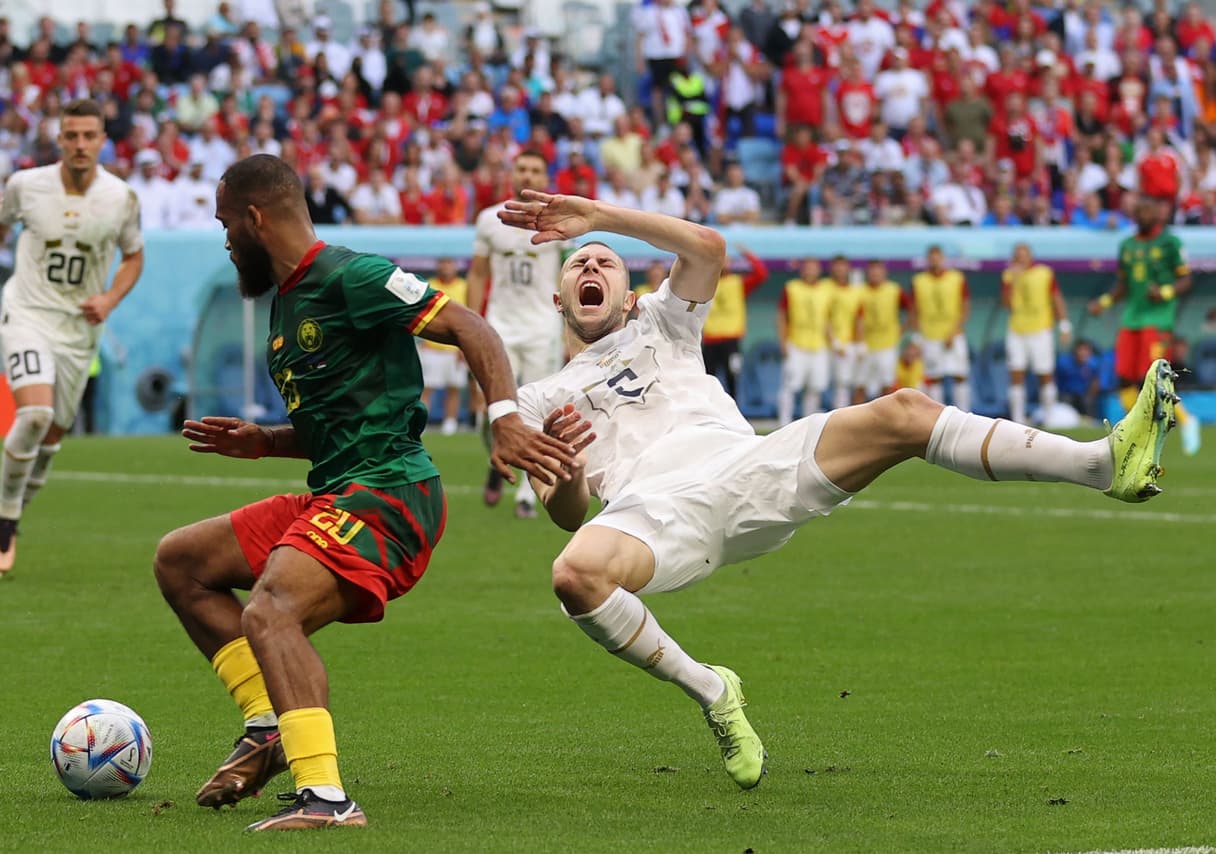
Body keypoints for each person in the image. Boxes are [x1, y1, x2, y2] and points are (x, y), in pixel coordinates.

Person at [500, 190, 1178, 792]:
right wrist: (560, 475)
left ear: (627, 292)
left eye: (605, 262)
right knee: (575, 575)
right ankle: (712, 689)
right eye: (579, 264)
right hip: (649, 516)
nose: (591, 267)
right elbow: (566, 515)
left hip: (747, 467)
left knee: (905, 412)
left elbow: (707, 245)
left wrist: (598, 215)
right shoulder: (537, 398)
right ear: (558, 299)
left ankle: (1101, 464)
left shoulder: (662, 322)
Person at [152, 155, 574, 832]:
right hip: (339, 489)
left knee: (271, 611)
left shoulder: (354, 275)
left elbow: (473, 327)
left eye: (226, 222)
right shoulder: (288, 303)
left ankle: (326, 798)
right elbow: (334, 426)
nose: (224, 237)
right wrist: (264, 441)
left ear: (256, 219)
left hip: (391, 493)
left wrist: (504, 419)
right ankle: (268, 726)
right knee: (181, 561)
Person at [0, 99, 145, 581]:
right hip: (27, 314)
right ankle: (6, 527)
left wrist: (110, 300)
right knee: (35, 414)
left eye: (89, 136)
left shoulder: (121, 198)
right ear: (59, 139)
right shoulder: (26, 185)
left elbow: (133, 259)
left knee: (53, 438)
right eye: (71, 135)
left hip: (79, 329)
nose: (80, 144)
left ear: (103, 140)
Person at [466, 149, 571, 518]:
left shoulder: (560, 219)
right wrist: (472, 325)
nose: (528, 175)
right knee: (488, 414)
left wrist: (571, 329)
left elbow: (569, 273)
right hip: (500, 327)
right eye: (522, 168)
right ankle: (497, 460)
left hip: (543, 326)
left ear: (545, 178)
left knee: (536, 413)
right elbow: (478, 274)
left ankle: (527, 493)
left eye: (536, 170)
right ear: (512, 174)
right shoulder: (488, 219)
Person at [1088, 195, 1201, 456]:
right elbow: (1123, 285)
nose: (1143, 215)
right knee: (1124, 379)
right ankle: (1138, 432)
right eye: (1139, 211)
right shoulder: (1127, 245)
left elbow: (1187, 281)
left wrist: (1163, 292)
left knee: (1152, 378)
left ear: (1158, 215)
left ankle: (1187, 421)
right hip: (1132, 319)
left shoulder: (1170, 242)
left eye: (1148, 211)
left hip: (1158, 320)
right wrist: (1103, 302)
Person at [1001, 242, 1071, 425]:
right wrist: (1013, 281)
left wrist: (1064, 325)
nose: (1021, 258)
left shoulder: (1044, 273)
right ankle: (1018, 419)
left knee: (1044, 373)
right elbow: (1006, 304)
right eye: (1017, 254)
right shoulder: (1009, 275)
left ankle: (1049, 419)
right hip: (1017, 330)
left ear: (1030, 255)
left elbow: (1057, 298)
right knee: (1016, 373)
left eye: (1024, 254)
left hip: (1041, 329)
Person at [700, 245, 767, 402]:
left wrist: (747, 254)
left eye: (727, 260)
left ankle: (733, 415)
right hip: (710, 340)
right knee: (707, 380)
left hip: (731, 341)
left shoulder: (738, 283)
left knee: (733, 378)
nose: (724, 263)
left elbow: (761, 274)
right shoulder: (705, 283)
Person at [912, 245, 971, 411]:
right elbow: (915, 311)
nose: (935, 261)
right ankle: (937, 418)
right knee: (933, 377)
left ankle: (965, 415)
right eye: (931, 257)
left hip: (954, 334)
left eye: (938, 257)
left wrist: (954, 331)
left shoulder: (956, 278)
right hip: (930, 335)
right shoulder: (919, 281)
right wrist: (917, 336)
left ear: (943, 259)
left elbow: (965, 306)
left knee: (960, 375)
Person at [776, 257, 832, 425]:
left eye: (813, 268)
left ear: (819, 270)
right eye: (807, 268)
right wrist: (783, 341)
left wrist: (833, 342)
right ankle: (783, 423)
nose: (810, 271)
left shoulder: (826, 290)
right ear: (802, 270)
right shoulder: (791, 288)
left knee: (815, 387)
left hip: (819, 345)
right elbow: (781, 316)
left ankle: (809, 425)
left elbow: (827, 319)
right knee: (791, 386)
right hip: (796, 344)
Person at [419, 257, 470, 435]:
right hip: (432, 347)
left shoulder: (464, 287)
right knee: (426, 388)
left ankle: (450, 422)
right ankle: (421, 423)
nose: (446, 267)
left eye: (450, 263)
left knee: (453, 388)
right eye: (443, 263)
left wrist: (464, 347)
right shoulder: (430, 285)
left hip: (454, 348)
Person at [857, 260, 912, 400]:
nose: (875, 274)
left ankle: (886, 420)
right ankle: (855, 421)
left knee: (887, 385)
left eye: (878, 270)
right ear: (867, 273)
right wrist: (860, 342)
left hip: (888, 344)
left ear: (884, 272)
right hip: (867, 345)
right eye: (872, 271)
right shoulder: (860, 292)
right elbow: (857, 318)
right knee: (860, 384)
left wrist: (901, 330)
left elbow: (913, 309)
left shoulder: (893, 290)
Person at [823, 255, 863, 408]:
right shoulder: (824, 287)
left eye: (843, 266)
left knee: (846, 383)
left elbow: (858, 318)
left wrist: (860, 343)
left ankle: (843, 416)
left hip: (849, 343)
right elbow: (823, 316)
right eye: (837, 266)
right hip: (827, 343)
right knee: (825, 383)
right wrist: (833, 340)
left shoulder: (855, 291)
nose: (840, 269)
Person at [1056, 339, 1103, 419]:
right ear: (1075, 351)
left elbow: (1096, 381)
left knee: (1088, 401)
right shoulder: (1063, 362)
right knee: (1066, 400)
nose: (1083, 353)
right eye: (1081, 350)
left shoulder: (1093, 364)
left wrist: (1091, 395)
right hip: (1066, 394)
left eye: (1086, 350)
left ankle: (1090, 420)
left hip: (1083, 394)